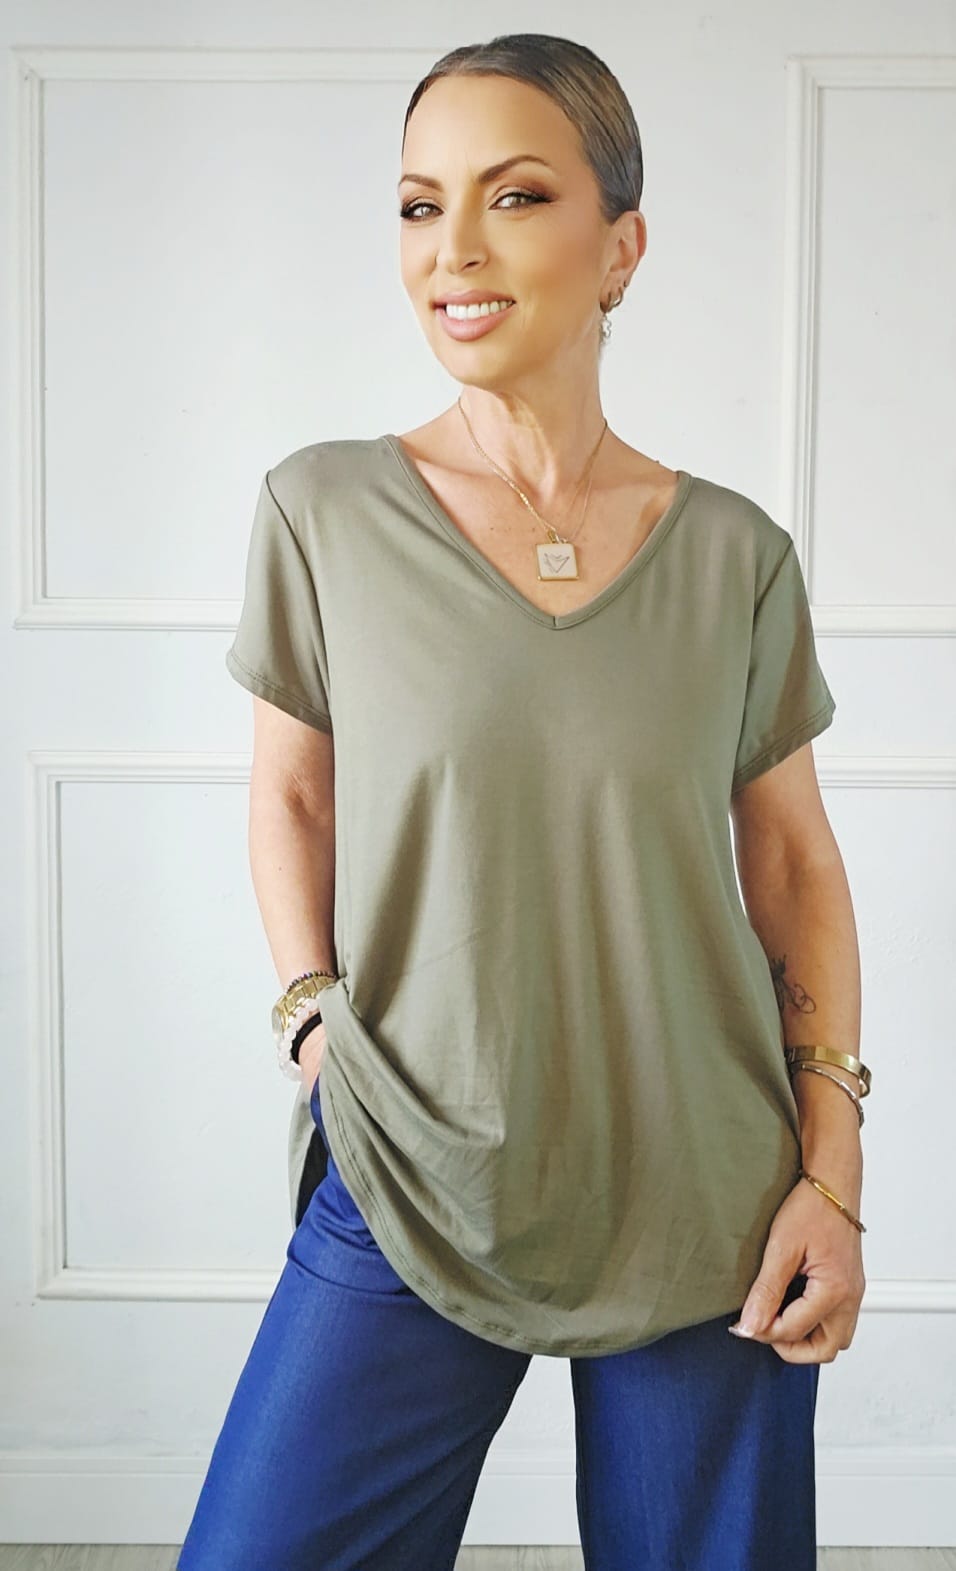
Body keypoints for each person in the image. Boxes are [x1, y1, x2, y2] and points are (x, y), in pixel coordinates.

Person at [179, 31, 869, 1571]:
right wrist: (312, 1021)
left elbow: (794, 865)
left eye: (515, 195)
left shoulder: (735, 558)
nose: (454, 250)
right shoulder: (323, 510)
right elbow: (293, 797)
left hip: (707, 1194)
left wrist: (832, 1172)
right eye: (419, 206)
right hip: (414, 1159)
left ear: (622, 246)